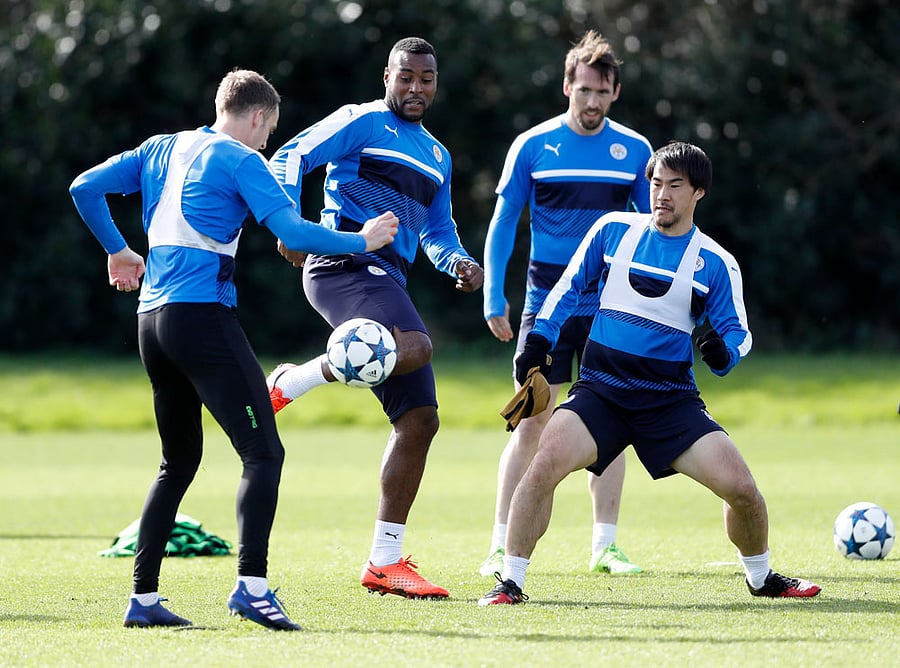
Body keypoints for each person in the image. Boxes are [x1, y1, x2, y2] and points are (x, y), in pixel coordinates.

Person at [69, 68, 398, 629]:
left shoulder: (160, 148)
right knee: (263, 453)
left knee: (178, 461)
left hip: (152, 320)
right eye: (269, 130)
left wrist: (119, 250)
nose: (268, 142)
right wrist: (360, 240)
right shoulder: (243, 159)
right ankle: (252, 587)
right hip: (201, 319)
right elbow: (293, 235)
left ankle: (143, 599)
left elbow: (83, 187)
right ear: (256, 116)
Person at [478, 141, 822, 605]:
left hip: (670, 403)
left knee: (743, 490)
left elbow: (739, 335)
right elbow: (565, 290)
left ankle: (761, 578)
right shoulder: (612, 231)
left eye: (675, 186)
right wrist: (540, 340)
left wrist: (722, 354)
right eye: (656, 183)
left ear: (698, 192)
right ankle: (511, 582)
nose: (662, 194)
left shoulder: (717, 263)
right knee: (542, 466)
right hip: (600, 394)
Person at [266, 37, 483, 600]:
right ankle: (295, 380)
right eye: (405, 76)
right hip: (345, 262)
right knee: (417, 342)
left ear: (437, 82)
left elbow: (437, 230)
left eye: (426, 79)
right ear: (386, 75)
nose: (415, 88)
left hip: (389, 276)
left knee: (420, 419)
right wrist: (288, 223)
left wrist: (457, 260)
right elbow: (290, 156)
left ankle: (384, 563)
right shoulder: (360, 121)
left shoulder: (438, 155)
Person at [479, 30, 652, 578]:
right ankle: (499, 544)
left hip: (611, 307)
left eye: (602, 92)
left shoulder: (637, 152)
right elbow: (505, 222)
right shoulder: (532, 145)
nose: (592, 102)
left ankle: (605, 546)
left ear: (616, 92)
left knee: (614, 419)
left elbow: (652, 231)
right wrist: (492, 293)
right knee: (533, 419)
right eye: (583, 91)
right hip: (544, 304)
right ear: (566, 87)